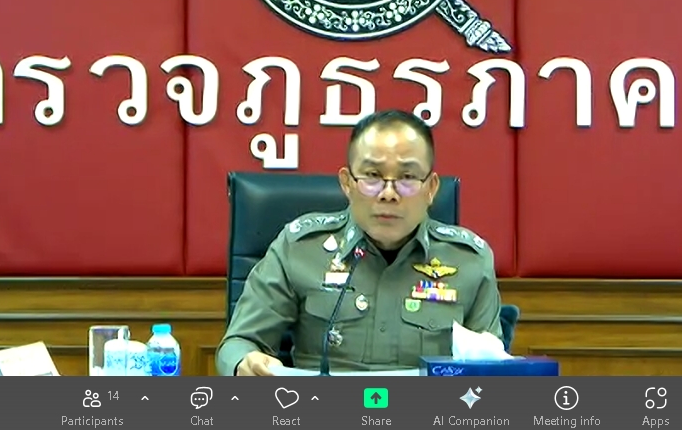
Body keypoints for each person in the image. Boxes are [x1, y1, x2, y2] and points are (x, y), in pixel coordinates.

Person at [216, 110, 505, 376]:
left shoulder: (469, 261)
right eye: (373, 176)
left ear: (431, 188)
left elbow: (492, 370)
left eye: (407, 177)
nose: (388, 194)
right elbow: (239, 342)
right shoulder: (300, 247)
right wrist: (246, 361)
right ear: (347, 183)